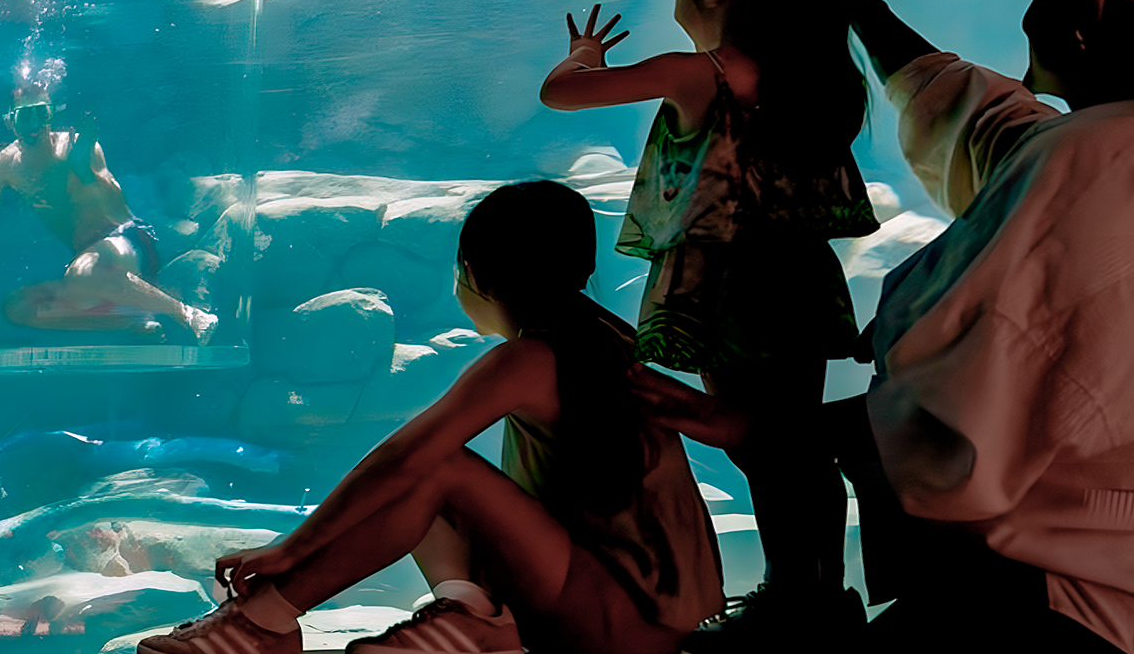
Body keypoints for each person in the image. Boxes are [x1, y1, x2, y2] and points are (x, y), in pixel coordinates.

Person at [136, 181, 725, 654]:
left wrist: (291, 549)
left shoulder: (529, 359)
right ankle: (473, 615)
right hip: (632, 612)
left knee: (437, 466)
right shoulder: (600, 337)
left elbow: (407, 457)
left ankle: (261, 624)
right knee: (432, 481)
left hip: (619, 625)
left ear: (475, 274)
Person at [539, 0, 880, 645]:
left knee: (761, 447)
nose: (673, 0)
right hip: (798, 282)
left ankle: (792, 607)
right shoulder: (819, 75)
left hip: (725, 290)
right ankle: (818, 594)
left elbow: (560, 95)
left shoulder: (699, 75)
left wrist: (584, 58)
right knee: (795, 443)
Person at [829, 0, 1134, 653]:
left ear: (1090, 10)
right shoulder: (1080, 154)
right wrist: (860, 7)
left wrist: (777, 429)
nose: (1028, 15)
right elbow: (979, 122)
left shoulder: (1093, 161)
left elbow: (957, 413)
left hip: (1061, 606)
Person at [0, 93, 218, 345]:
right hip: (86, 263)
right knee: (17, 306)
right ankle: (128, 320)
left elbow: (116, 207)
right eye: (24, 116)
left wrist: (84, 171)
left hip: (127, 241)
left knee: (83, 274)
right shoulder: (5, 165)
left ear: (51, 114)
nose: (34, 124)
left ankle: (189, 315)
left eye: (41, 113)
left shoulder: (76, 147)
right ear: (10, 121)